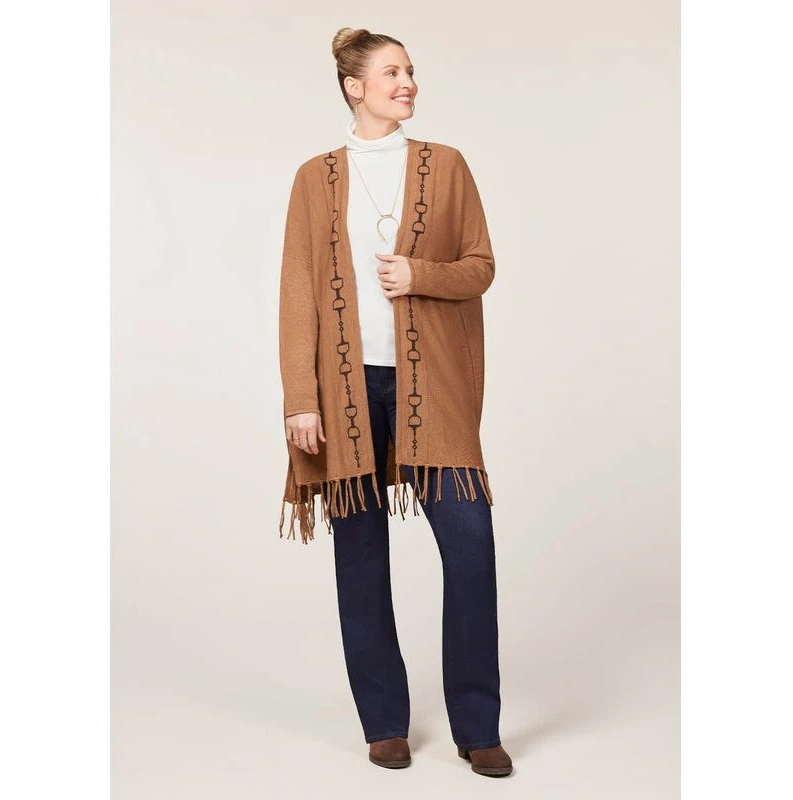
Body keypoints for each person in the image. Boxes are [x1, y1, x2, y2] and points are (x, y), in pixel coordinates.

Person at [277, 27, 512, 778]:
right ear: (355, 86)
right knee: (360, 559)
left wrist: (420, 276)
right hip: (346, 394)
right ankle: (384, 723)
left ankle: (478, 726)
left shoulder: (448, 166)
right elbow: (298, 293)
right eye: (391, 72)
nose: (407, 82)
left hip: (429, 388)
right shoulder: (315, 178)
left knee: (470, 547)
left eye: (410, 70)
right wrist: (300, 398)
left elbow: (481, 266)